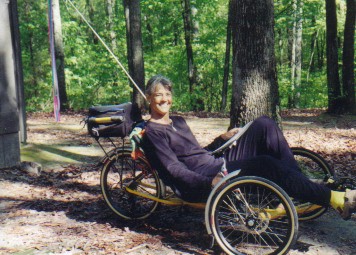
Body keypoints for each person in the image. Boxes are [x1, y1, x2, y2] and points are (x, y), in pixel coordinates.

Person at [141, 75, 356, 220]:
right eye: (158, 95)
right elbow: (175, 169)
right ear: (148, 98)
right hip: (205, 177)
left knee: (264, 124)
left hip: (214, 162)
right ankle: (333, 198)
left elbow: (197, 152)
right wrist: (210, 182)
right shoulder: (153, 133)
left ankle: (297, 191)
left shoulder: (178, 121)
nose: (165, 99)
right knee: (264, 163)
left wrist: (221, 139)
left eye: (168, 94)